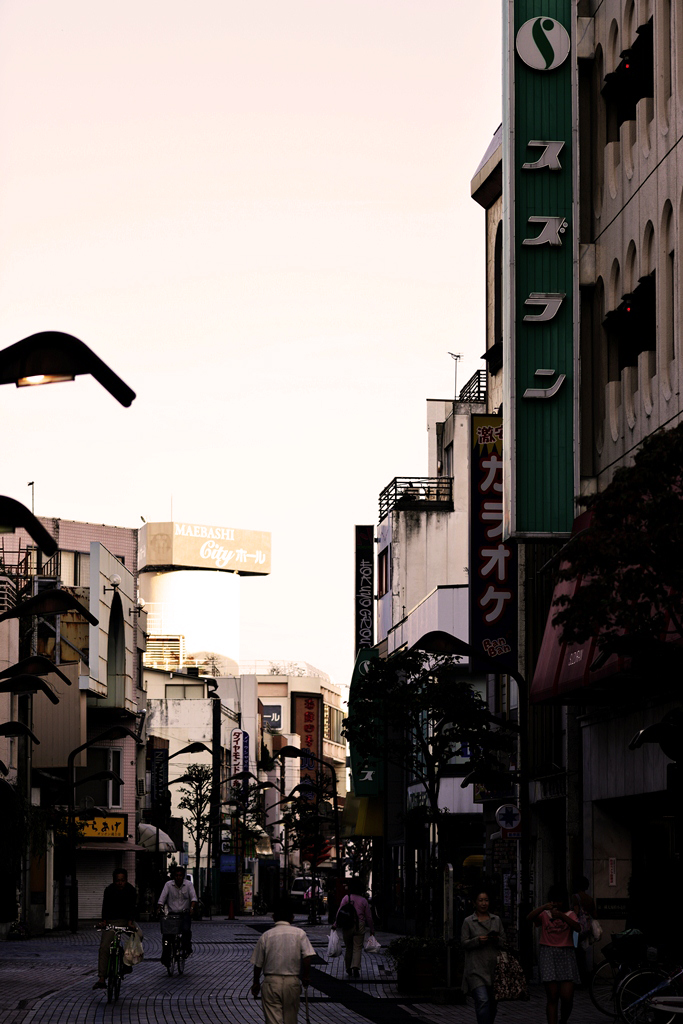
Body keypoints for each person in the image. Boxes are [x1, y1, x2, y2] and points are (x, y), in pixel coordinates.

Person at [250, 900, 315, 1024]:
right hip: (292, 982)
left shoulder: (266, 936)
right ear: (292, 917)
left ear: (274, 917)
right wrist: (306, 976)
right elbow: (307, 957)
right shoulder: (299, 934)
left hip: (271, 982)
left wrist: (256, 983)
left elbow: (258, 964)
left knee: (273, 1020)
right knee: (291, 1019)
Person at [528, 885, 580, 1024]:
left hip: (566, 954)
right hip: (548, 954)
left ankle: (563, 1020)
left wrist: (562, 916)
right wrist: (543, 907)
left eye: (559, 901)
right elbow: (529, 918)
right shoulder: (544, 915)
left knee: (567, 997)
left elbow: (578, 928)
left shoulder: (570, 914)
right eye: (553, 901)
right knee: (552, 996)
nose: (556, 904)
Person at [460, 890, 505, 1024]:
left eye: (486, 900)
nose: (484, 903)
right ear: (474, 903)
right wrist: (477, 941)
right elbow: (463, 943)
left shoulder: (496, 920)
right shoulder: (468, 921)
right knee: (482, 1001)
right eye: (480, 900)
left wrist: (496, 939)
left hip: (494, 969)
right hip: (475, 969)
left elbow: (504, 942)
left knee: (492, 1004)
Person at [93, 867, 137, 989]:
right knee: (104, 947)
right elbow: (105, 907)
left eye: (122, 880)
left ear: (126, 880)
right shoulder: (109, 890)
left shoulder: (131, 891)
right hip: (111, 922)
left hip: (127, 921)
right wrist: (104, 922)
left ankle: (127, 962)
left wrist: (130, 923)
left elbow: (132, 908)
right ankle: (102, 978)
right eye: (117, 880)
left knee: (139, 936)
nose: (120, 883)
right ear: (113, 880)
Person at [333, 878, 375, 979]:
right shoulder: (363, 900)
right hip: (359, 925)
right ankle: (355, 967)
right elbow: (368, 917)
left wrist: (335, 924)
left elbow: (339, 912)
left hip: (347, 925)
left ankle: (348, 968)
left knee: (348, 948)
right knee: (357, 948)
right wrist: (372, 929)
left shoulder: (346, 898)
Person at [157, 866, 197, 961]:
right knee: (167, 935)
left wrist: (191, 908)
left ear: (183, 876)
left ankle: (186, 949)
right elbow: (162, 899)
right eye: (176, 875)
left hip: (184, 913)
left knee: (186, 930)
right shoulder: (168, 885)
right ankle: (166, 957)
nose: (178, 877)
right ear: (173, 876)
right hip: (172, 914)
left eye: (180, 875)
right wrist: (159, 907)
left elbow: (194, 898)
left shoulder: (188, 885)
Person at [572, 876, 597, 984]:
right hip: (586, 929)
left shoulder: (575, 897)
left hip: (577, 929)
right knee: (582, 951)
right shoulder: (589, 898)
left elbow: (576, 913)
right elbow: (594, 914)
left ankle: (581, 977)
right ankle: (585, 976)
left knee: (577, 952)